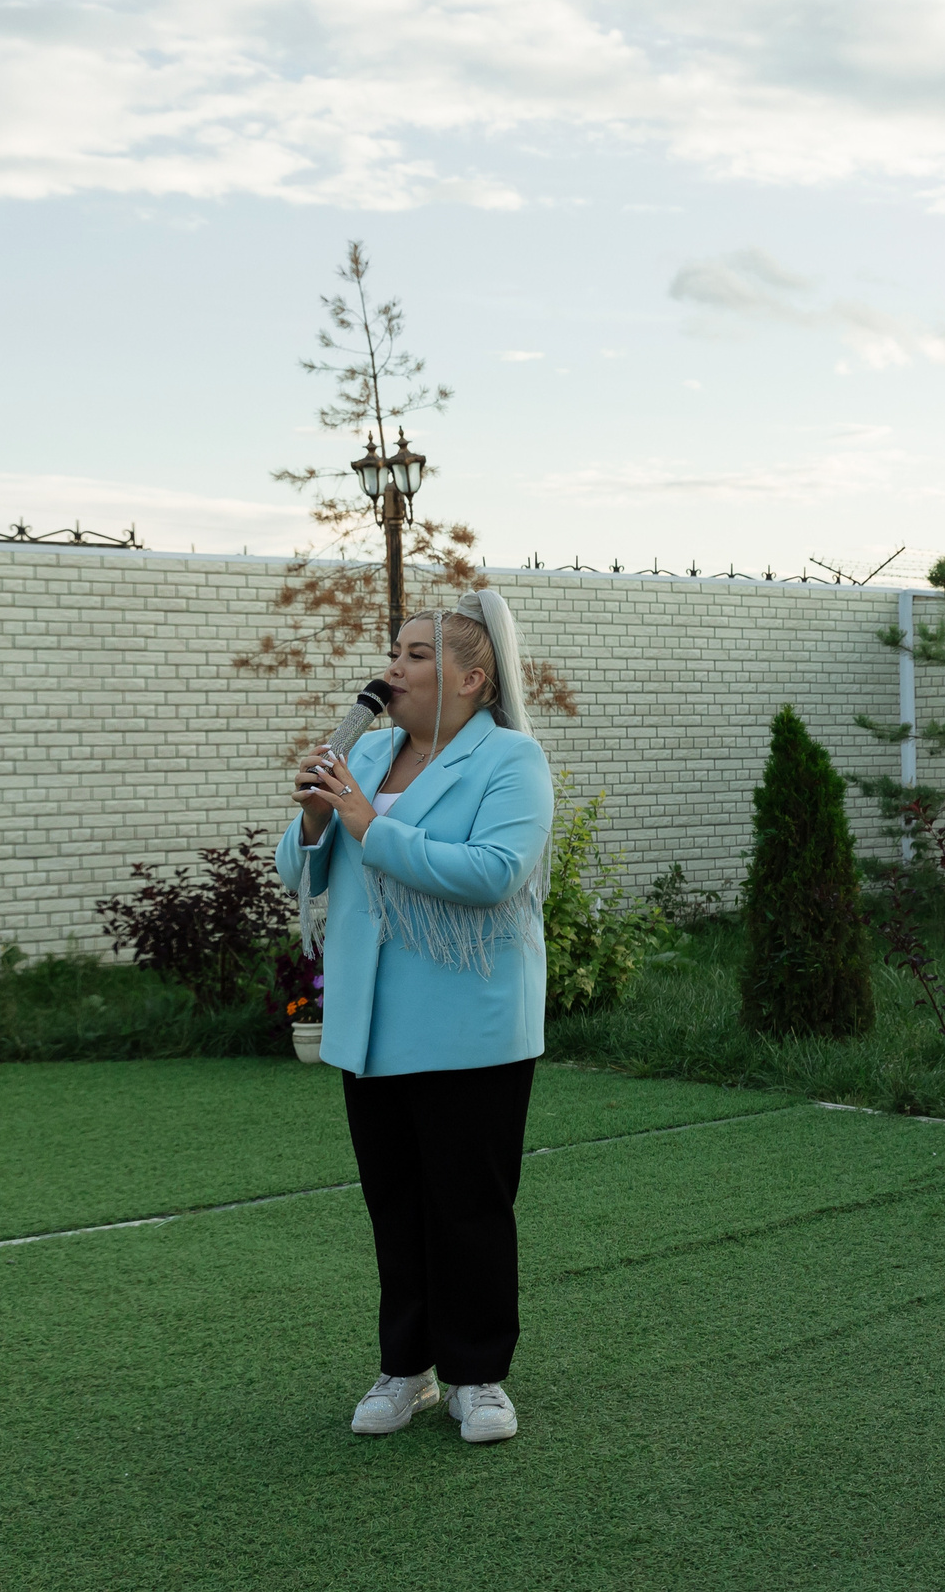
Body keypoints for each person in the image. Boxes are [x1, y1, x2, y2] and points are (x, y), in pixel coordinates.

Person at [278, 589, 554, 1445]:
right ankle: (408, 1370)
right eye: (394, 652)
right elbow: (301, 872)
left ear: (473, 677)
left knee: (468, 1206)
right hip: (372, 1024)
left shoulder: (511, 759)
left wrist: (363, 820)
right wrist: (319, 815)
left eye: (415, 656)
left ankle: (480, 1377)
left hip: (470, 1026)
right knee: (394, 1205)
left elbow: (495, 872)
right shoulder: (373, 749)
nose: (391, 669)